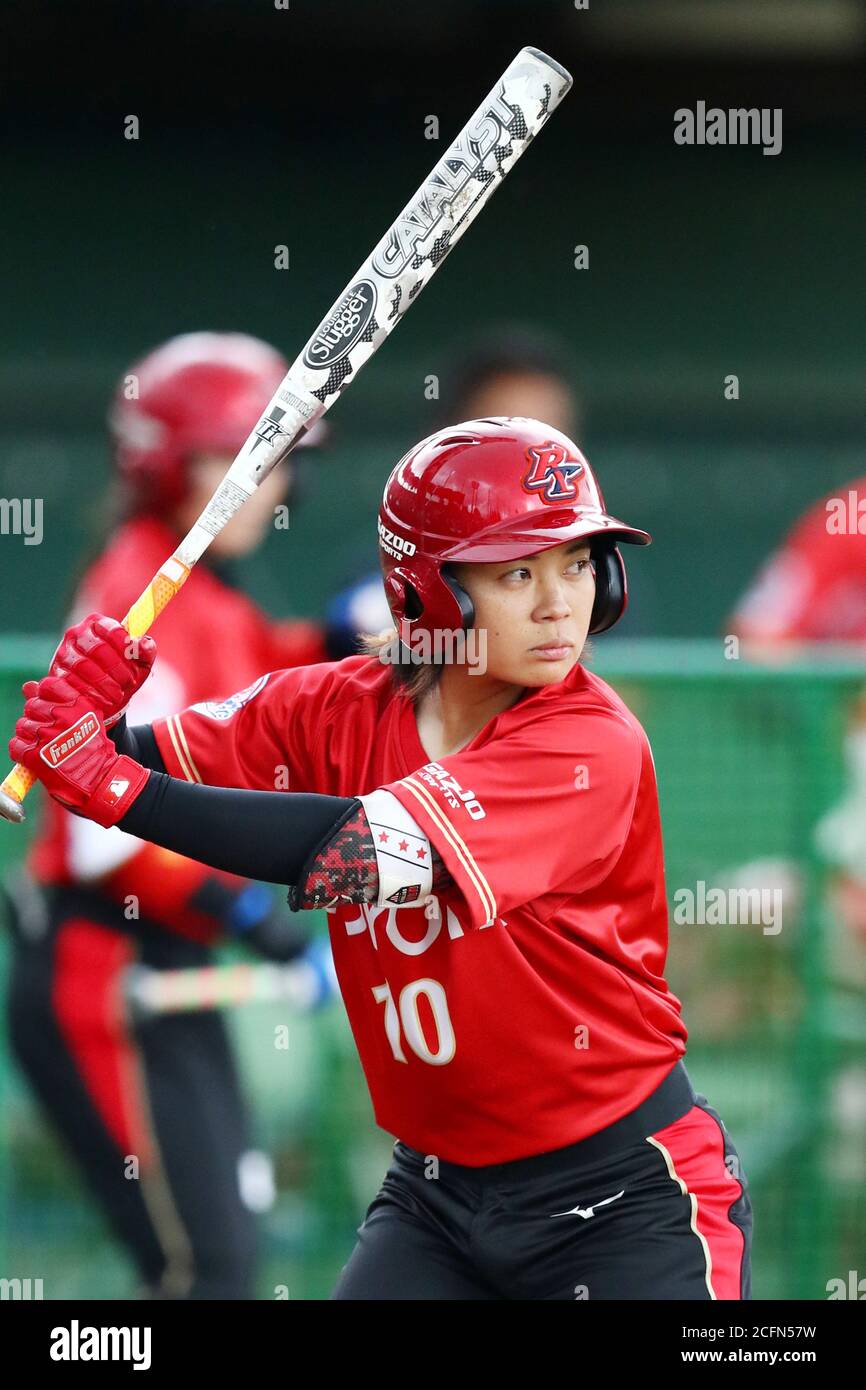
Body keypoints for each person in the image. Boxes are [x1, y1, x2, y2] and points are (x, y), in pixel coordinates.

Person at [11, 416, 752, 1300]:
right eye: (519, 572)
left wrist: (116, 788)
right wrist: (87, 721)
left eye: (579, 564)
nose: (563, 603)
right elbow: (131, 760)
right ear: (429, 589)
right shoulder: (339, 706)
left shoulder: (590, 738)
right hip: (436, 1200)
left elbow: (348, 858)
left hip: (622, 1196)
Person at [4, 332, 335, 1300]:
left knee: (225, 1263)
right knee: (206, 1271)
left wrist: (354, 635)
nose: (270, 489)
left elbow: (261, 669)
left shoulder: (197, 592)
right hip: (104, 970)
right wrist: (264, 930)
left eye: (276, 466)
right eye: (246, 462)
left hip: (167, 965)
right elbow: (103, 845)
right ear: (175, 466)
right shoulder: (134, 599)